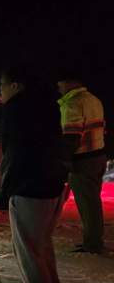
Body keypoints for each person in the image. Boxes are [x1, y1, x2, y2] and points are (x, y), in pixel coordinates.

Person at [0, 64, 70, 283]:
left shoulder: (16, 108)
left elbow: (14, 153)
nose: (0, 90)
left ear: (16, 85)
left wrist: (3, 191)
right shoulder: (49, 105)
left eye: (2, 85)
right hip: (53, 183)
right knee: (43, 249)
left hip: (30, 187)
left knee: (28, 254)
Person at [57, 71, 107, 254]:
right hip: (98, 156)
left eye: (60, 85)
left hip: (83, 159)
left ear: (70, 83)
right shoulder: (93, 99)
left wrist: (65, 159)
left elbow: (71, 136)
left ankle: (93, 244)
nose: (58, 89)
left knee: (88, 204)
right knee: (93, 202)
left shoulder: (72, 103)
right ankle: (93, 240)